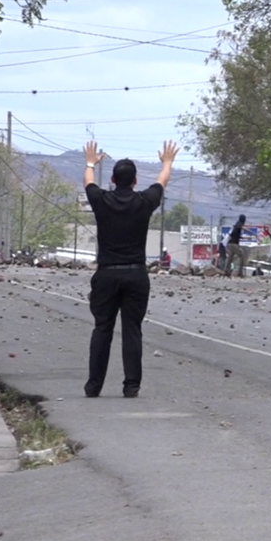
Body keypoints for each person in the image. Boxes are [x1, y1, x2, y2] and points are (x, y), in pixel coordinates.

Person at [82, 139, 178, 398]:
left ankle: (94, 386)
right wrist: (167, 162)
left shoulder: (102, 201)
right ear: (135, 181)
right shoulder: (144, 201)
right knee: (132, 329)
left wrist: (90, 162)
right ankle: (131, 386)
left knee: (102, 327)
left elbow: (88, 182)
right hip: (136, 274)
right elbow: (162, 181)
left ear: (113, 179)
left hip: (106, 274)